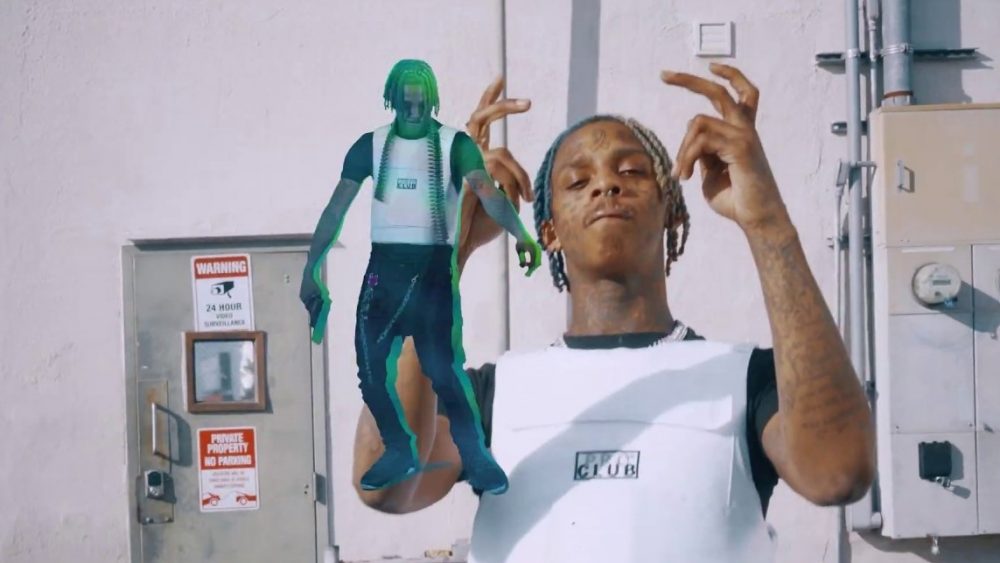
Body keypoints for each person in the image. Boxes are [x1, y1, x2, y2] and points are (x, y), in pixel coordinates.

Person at [351, 63, 876, 562]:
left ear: (671, 211)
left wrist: (767, 222)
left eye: (631, 171)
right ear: (549, 232)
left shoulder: (745, 379)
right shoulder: (495, 394)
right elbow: (386, 483)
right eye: (578, 182)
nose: (607, 185)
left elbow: (838, 472)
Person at [299, 59, 542, 496]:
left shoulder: (454, 147)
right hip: (385, 270)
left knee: (444, 372)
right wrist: (311, 268)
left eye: (421, 98)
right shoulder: (370, 146)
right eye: (405, 98)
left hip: (431, 267)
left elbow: (487, 193)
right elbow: (335, 208)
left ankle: (476, 455)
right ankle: (398, 448)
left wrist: (519, 234)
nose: (413, 107)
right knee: (372, 370)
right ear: (391, 99)